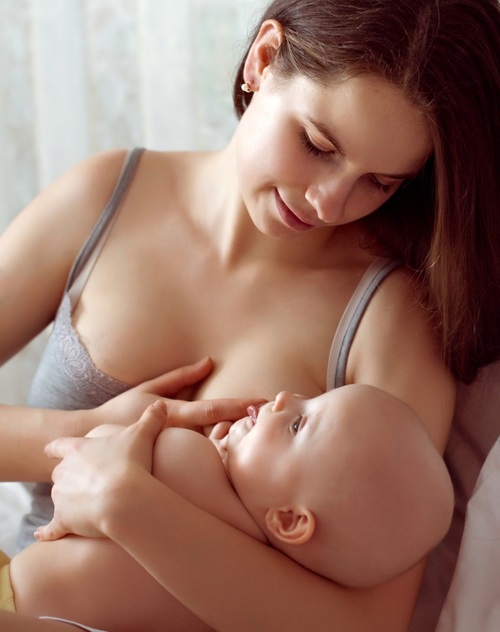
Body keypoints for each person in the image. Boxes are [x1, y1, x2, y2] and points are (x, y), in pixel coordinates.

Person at [0, 0, 498, 630]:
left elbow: (367, 626)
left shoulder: (391, 320)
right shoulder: (103, 196)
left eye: (379, 182)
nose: (329, 201)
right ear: (263, 61)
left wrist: (128, 503)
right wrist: (82, 438)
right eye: (318, 145)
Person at [2, 385, 453, 631]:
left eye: (298, 423)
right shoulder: (258, 582)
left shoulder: (186, 457)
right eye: (307, 397)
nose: (284, 397)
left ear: (292, 520)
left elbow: (92, 452)